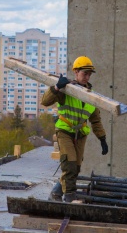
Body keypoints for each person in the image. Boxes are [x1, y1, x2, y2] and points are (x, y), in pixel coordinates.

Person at [41, 56, 108, 202]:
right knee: (69, 165)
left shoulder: (91, 95)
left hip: (80, 134)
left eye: (89, 74)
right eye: (85, 73)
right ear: (76, 72)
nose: (87, 77)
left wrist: (102, 138)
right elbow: (45, 101)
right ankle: (70, 198)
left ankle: (55, 193)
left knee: (75, 169)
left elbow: (95, 120)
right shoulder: (66, 89)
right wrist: (57, 87)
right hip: (65, 131)